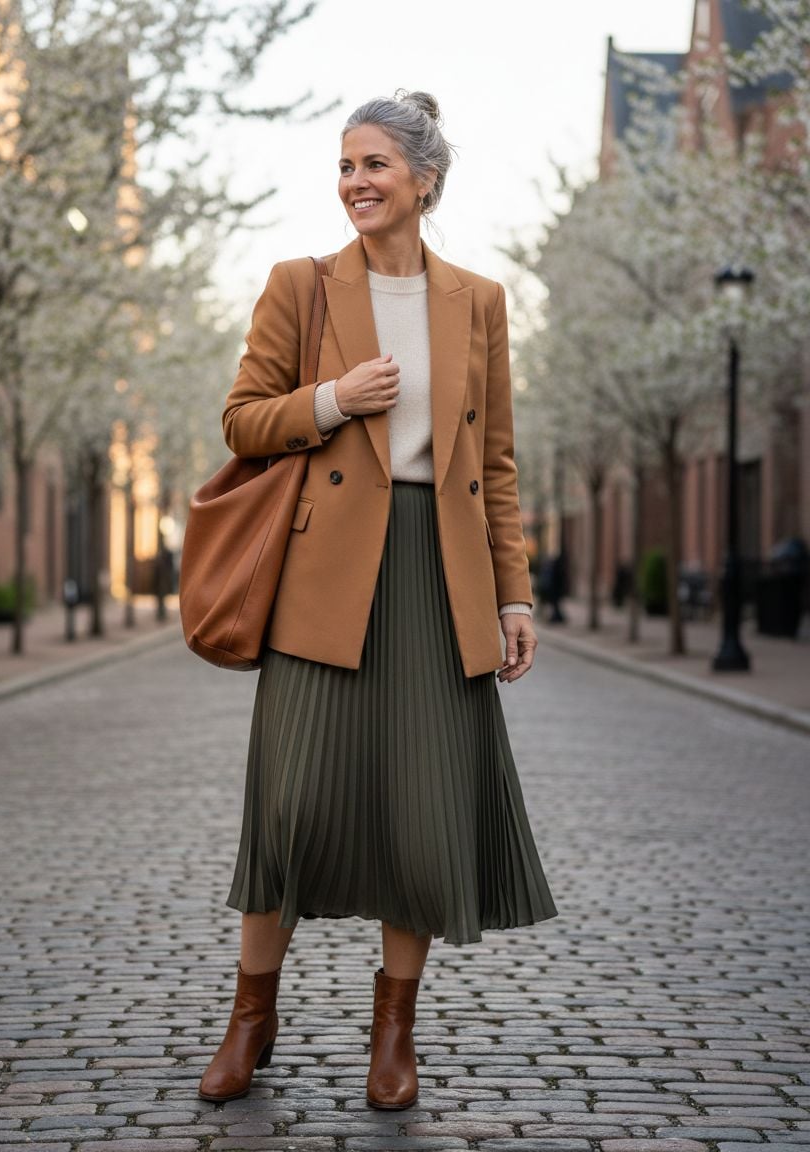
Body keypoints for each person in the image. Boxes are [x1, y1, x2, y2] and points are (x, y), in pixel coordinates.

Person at [198, 89, 558, 1111]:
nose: (354, 181)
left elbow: (493, 461)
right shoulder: (298, 285)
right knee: (289, 806)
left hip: (438, 578)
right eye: (344, 165)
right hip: (323, 577)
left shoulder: (478, 301)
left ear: (422, 180)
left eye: (373, 165)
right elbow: (240, 421)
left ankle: (391, 1037)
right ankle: (249, 1019)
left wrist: (514, 594)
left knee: (418, 813)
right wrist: (330, 402)